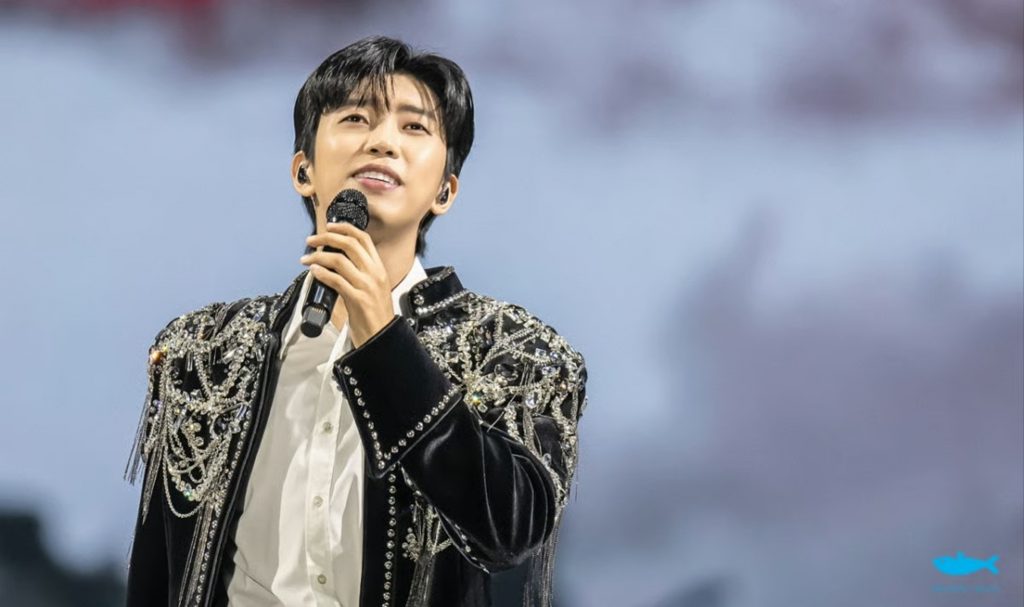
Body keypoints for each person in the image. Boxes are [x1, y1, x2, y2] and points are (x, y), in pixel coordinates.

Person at [123, 35, 588, 607]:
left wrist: (385, 340)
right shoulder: (203, 352)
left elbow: (510, 532)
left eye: (414, 127)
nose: (382, 141)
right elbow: (155, 574)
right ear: (304, 170)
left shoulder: (515, 352)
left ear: (445, 190)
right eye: (355, 118)